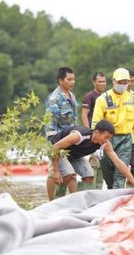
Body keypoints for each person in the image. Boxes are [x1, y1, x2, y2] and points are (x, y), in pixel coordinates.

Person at [49, 119, 134, 200]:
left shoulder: (105, 143)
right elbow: (54, 148)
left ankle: (79, 202)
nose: (107, 140)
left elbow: (118, 162)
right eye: (106, 137)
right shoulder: (79, 136)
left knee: (89, 175)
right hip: (58, 152)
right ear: (97, 132)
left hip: (74, 155)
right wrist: (56, 170)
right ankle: (57, 201)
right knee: (68, 174)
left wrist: (132, 180)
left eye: (109, 138)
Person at [91, 68, 134, 189]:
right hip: (107, 139)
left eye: (125, 82)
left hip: (125, 139)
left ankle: (120, 196)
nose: (122, 85)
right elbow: (96, 123)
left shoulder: (133, 98)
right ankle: (113, 191)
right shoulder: (103, 99)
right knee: (108, 173)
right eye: (120, 82)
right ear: (113, 81)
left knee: (120, 173)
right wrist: (96, 145)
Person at [45, 67, 94, 200]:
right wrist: (55, 150)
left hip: (72, 141)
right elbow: (50, 127)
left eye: (73, 79)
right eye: (69, 79)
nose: (72, 82)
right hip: (58, 142)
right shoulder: (54, 99)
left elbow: (74, 121)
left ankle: (79, 202)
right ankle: (53, 202)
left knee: (88, 174)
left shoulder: (71, 96)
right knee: (66, 174)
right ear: (60, 80)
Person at [81, 72, 107, 189]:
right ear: (94, 82)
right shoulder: (90, 96)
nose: (102, 84)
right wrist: (89, 132)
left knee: (102, 164)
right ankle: (90, 191)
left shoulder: (107, 96)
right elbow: (84, 115)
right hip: (94, 134)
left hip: (105, 135)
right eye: (99, 81)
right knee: (95, 164)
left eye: (104, 81)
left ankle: (98, 190)